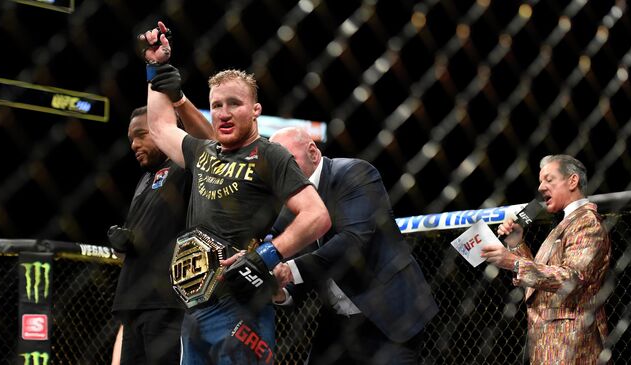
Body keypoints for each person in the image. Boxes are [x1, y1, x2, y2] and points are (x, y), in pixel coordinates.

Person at [140, 22, 331, 364]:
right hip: (196, 302)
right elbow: (159, 127)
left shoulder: (271, 155)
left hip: (241, 304)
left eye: (234, 104)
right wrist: (156, 68)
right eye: (216, 105)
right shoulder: (203, 152)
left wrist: (265, 257)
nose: (224, 113)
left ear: (255, 110)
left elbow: (317, 216)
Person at [268, 127, 439, 365]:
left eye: (288, 162)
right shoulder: (291, 207)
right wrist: (278, 289)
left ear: (313, 153)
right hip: (340, 322)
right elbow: (278, 249)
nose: (282, 173)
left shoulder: (354, 174)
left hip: (389, 314)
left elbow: (353, 241)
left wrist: (290, 270)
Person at [481, 154, 611, 364]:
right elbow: (540, 284)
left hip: (572, 344)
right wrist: (516, 244)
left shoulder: (586, 222)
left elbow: (572, 278)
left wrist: (513, 262)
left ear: (572, 181)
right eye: (541, 181)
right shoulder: (566, 224)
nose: (541, 187)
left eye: (549, 180)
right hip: (551, 342)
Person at [108, 104, 213, 364]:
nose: (134, 144)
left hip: (168, 301)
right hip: (133, 301)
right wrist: (124, 239)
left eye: (141, 134)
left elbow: (209, 143)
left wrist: (178, 102)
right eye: (131, 138)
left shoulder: (185, 166)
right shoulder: (144, 180)